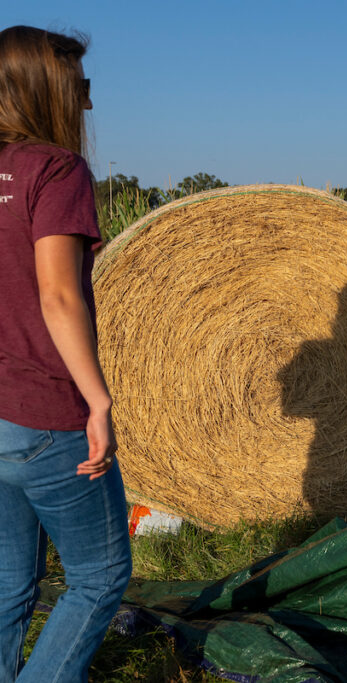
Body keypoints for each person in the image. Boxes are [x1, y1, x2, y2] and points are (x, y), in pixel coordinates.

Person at [0, 25, 132, 681]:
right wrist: (99, 401)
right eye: (79, 84)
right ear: (48, 87)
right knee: (99, 576)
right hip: (45, 412)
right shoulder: (56, 168)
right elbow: (56, 296)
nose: (86, 99)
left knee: (7, 584)